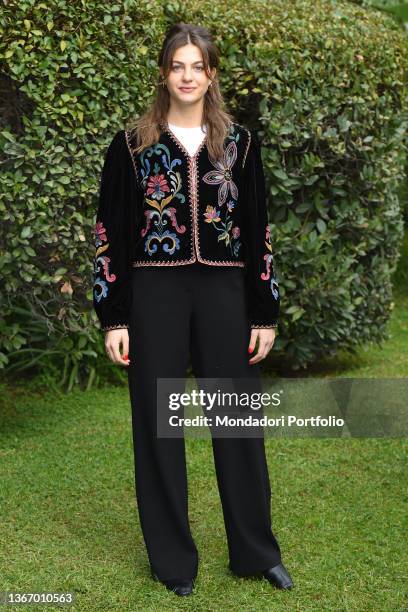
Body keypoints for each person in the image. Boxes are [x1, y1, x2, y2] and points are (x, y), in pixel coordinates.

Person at [92, 22, 293, 597]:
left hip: (225, 294)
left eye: (196, 66)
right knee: (160, 426)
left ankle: (255, 553)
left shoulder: (240, 144)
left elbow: (258, 231)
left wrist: (264, 312)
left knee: (237, 423)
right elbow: (111, 232)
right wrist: (115, 317)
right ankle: (173, 561)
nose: (186, 76)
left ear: (211, 75)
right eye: (177, 66)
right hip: (154, 293)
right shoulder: (130, 144)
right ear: (164, 73)